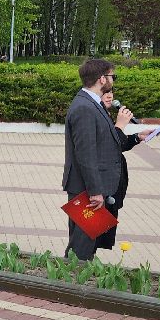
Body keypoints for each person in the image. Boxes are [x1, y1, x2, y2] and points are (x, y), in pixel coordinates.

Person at [62, 59, 125, 260]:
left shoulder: (93, 104)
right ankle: (68, 285)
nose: (112, 81)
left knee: (87, 242)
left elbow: (104, 142)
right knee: (81, 246)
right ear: (101, 79)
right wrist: (95, 192)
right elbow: (85, 154)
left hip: (90, 187)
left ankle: (75, 281)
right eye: (112, 77)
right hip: (86, 189)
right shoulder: (85, 108)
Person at [95, 86, 147, 251]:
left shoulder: (105, 114)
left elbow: (117, 145)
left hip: (112, 187)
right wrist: (119, 126)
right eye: (105, 93)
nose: (109, 96)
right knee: (90, 236)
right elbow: (105, 147)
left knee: (102, 236)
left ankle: (89, 266)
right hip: (100, 187)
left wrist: (137, 138)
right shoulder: (94, 115)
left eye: (111, 92)